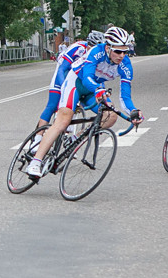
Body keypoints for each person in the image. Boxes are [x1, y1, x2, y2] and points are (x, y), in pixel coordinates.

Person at [25, 27, 144, 178]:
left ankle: (76, 138)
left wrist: (133, 111)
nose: (122, 56)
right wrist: (97, 90)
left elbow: (125, 97)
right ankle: (35, 162)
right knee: (63, 121)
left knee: (111, 116)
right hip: (76, 82)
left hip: (93, 88)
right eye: (118, 51)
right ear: (108, 47)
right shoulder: (97, 52)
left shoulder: (126, 66)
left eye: (125, 52)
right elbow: (87, 76)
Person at [34, 30, 103, 137]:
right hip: (63, 73)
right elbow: (62, 69)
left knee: (99, 110)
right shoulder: (78, 48)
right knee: (52, 105)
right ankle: (38, 137)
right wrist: (64, 88)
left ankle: (73, 138)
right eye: (92, 48)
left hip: (78, 78)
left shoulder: (99, 56)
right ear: (88, 45)